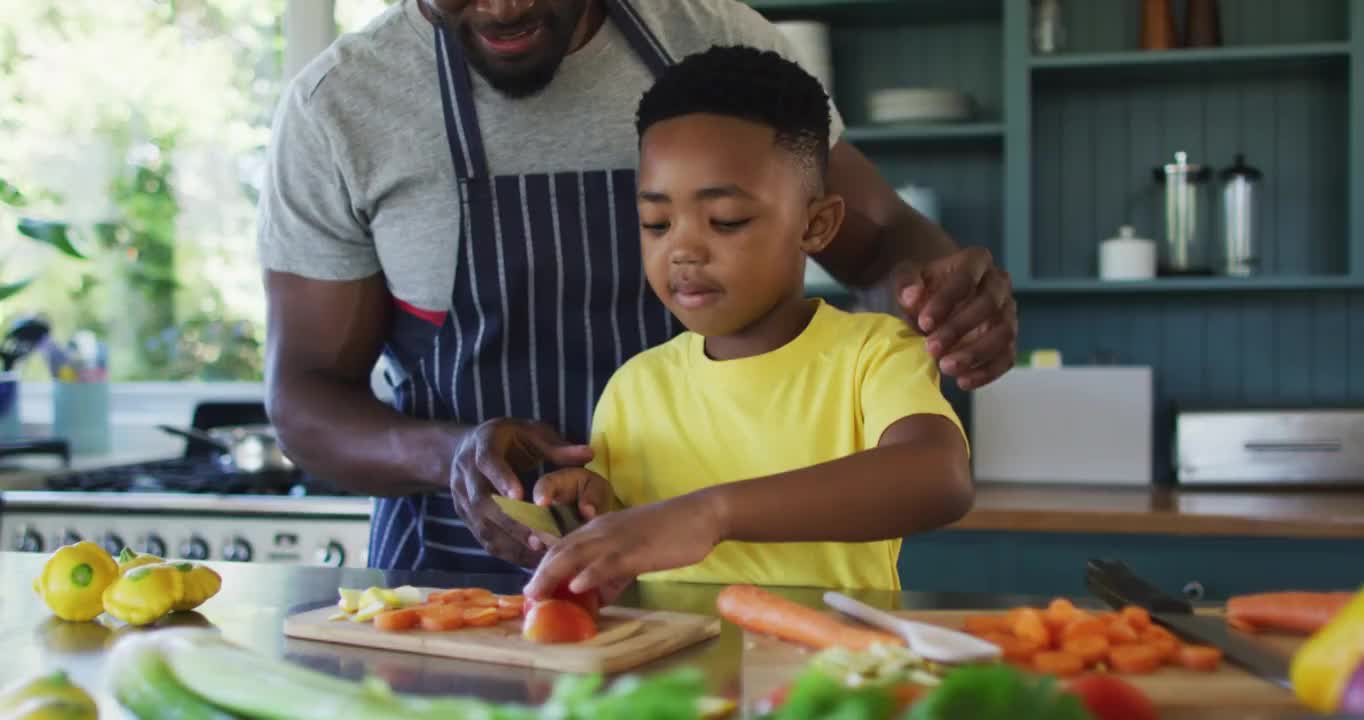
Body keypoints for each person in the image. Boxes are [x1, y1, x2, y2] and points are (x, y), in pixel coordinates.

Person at [259, 0, 1016, 574]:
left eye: (723, 218)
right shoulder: (342, 106)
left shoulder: (721, 44)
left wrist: (952, 305)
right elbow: (306, 397)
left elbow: (886, 246)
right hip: (447, 579)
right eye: (655, 222)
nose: (499, 6)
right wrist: (457, 456)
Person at [522, 45, 972, 600]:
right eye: (656, 222)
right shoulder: (635, 387)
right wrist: (587, 508)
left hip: (823, 673)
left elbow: (939, 478)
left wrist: (713, 513)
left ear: (816, 225)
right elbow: (628, 547)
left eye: (726, 221)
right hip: (676, 678)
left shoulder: (873, 354)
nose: (682, 250)